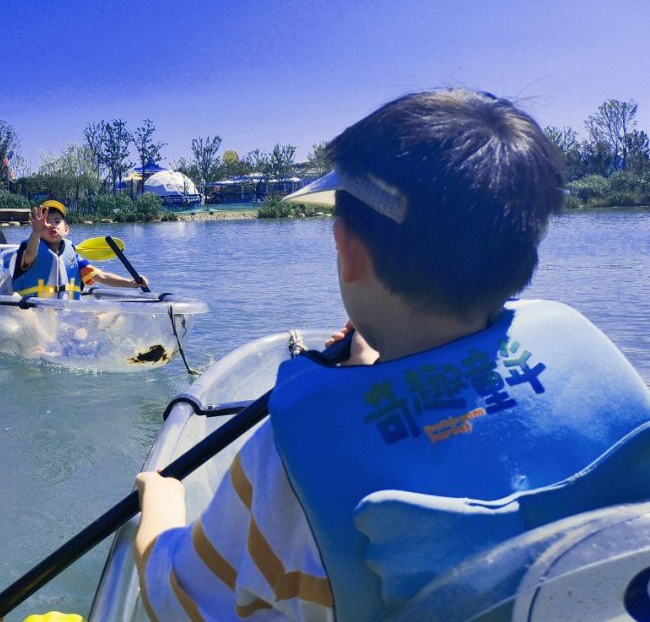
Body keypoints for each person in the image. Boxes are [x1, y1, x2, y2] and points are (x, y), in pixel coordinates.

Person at [133, 89, 650, 622]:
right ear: (524, 250)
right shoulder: (600, 367)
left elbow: (177, 601)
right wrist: (372, 378)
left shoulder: (284, 465)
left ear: (347, 247)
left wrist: (161, 509)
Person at [11, 199, 148, 298]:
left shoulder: (73, 257)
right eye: (47, 222)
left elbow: (102, 277)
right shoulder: (31, 248)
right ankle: (50, 339)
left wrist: (132, 283)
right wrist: (36, 232)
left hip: (64, 315)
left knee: (113, 316)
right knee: (31, 316)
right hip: (35, 312)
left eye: (57, 221)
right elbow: (29, 255)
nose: (52, 225)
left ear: (66, 229)